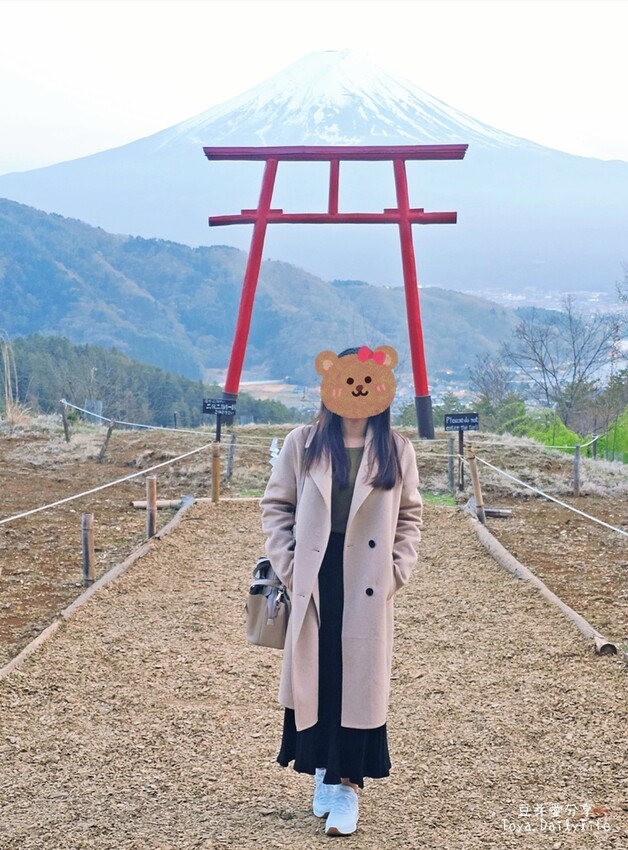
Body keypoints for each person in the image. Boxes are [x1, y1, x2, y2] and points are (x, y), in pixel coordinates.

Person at [260, 345, 422, 837]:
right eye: (349, 380)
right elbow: (276, 507)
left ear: (383, 388)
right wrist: (290, 567)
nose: (358, 390)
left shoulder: (396, 448)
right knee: (322, 670)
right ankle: (322, 774)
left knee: (359, 681)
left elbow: (410, 516)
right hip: (315, 573)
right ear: (331, 384)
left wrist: (396, 571)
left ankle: (348, 786)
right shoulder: (304, 442)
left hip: (368, 578)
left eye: (368, 381)